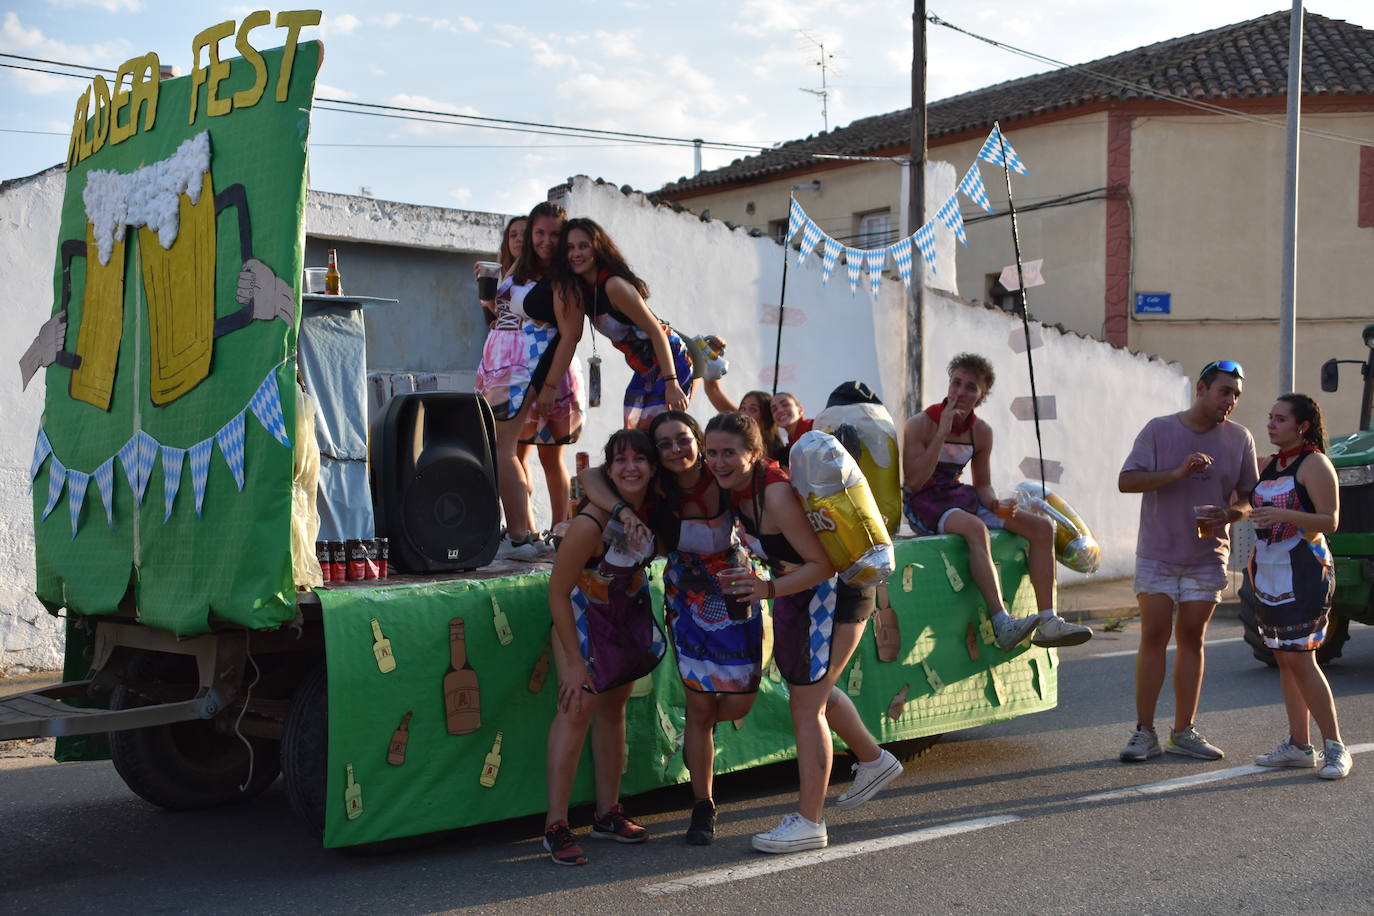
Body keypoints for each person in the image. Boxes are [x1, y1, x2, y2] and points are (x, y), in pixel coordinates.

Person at [704, 411, 902, 854]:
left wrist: (765, 589)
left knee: (805, 705)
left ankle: (811, 822)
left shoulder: (773, 495)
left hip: (831, 595)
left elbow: (823, 564)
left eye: (729, 453)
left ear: (754, 454)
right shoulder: (738, 489)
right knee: (814, 691)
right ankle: (874, 760)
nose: (718, 462)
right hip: (803, 596)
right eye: (711, 452)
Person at [583, 411, 765, 845]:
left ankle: (698, 735)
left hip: (738, 592)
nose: (676, 450)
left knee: (739, 704)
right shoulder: (657, 490)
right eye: (664, 444)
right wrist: (624, 509)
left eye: (682, 439)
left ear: (697, 440)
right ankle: (703, 806)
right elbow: (591, 474)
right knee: (700, 709)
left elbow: (771, 477)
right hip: (688, 601)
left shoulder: (723, 471)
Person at [1117, 359, 1258, 762]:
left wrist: (1232, 514)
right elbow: (1127, 481)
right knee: (1154, 636)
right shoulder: (1160, 429)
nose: (1230, 401)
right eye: (1224, 392)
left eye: (1236, 395)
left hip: (1207, 556)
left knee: (1193, 639)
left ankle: (1184, 731)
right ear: (1201, 389)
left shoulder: (1239, 438)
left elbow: (1250, 496)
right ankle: (1144, 732)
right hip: (1159, 553)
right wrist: (1177, 472)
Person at [902, 353, 1092, 650]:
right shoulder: (920, 424)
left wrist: (996, 505)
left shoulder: (981, 432)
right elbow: (914, 481)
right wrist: (941, 433)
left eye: (970, 387)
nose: (960, 393)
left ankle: (1048, 621)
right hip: (924, 502)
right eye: (956, 384)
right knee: (975, 529)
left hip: (958, 496)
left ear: (982, 395)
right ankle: (1002, 622)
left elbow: (983, 486)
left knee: (1042, 529)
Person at [542, 429, 665, 866]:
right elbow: (557, 592)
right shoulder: (591, 522)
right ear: (609, 469)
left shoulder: (650, 508)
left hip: (622, 620)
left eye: (640, 459)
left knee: (614, 710)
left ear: (653, 466)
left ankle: (607, 813)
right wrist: (574, 664)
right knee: (576, 710)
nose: (630, 467)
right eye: (620, 460)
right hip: (581, 622)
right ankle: (556, 826)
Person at [1246, 394, 1351, 779]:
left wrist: (1284, 514)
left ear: (1302, 425)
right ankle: (1298, 744)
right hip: (1269, 570)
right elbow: (1246, 504)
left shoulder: (1315, 463)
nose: (1271, 424)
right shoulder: (1270, 465)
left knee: (1303, 658)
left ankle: (1336, 746)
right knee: (1284, 658)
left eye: (1280, 418)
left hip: (1305, 569)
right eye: (1270, 417)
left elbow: (1330, 519)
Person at [480, 202, 583, 559]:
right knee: (504, 449)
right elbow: (507, 316)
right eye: (539, 233)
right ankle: (522, 532)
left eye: (555, 234)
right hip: (500, 367)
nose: (545, 241)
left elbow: (569, 335)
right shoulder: (518, 270)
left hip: (528, 369)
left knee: (505, 450)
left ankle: (521, 536)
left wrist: (549, 387)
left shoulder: (562, 280)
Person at [770, 391, 813, 464]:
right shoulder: (789, 449)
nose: (780, 410)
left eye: (785, 405)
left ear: (800, 410)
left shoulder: (816, 428)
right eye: (774, 410)